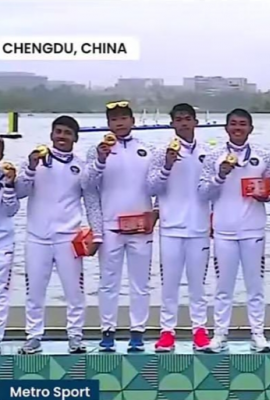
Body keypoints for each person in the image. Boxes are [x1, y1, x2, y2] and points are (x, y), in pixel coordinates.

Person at [14, 116, 102, 354]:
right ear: (52, 134)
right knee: (34, 292)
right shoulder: (35, 160)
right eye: (58, 132)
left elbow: (91, 203)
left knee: (75, 292)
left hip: (68, 239)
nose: (62, 137)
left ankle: (75, 336)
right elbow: (19, 192)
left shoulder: (81, 167)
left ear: (75, 138)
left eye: (67, 133)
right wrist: (30, 168)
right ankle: (33, 336)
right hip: (37, 237)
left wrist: (97, 234)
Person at [82, 100, 158, 352]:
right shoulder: (97, 150)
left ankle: (138, 331)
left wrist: (156, 213)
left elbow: (160, 185)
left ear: (133, 121)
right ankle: (107, 331)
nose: (119, 123)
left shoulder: (147, 149)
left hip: (140, 228)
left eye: (123, 118)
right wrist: (100, 160)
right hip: (110, 227)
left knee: (140, 283)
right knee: (108, 282)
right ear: (108, 124)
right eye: (114, 119)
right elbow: (87, 185)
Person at [198, 108, 270, 353]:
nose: (238, 128)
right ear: (226, 128)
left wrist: (265, 194)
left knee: (255, 286)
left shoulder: (263, 157)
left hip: (253, 230)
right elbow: (203, 192)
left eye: (243, 124)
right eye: (233, 124)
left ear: (250, 128)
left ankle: (258, 335)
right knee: (223, 287)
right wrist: (220, 176)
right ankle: (220, 335)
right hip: (224, 231)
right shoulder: (213, 157)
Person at [147, 104, 211, 352]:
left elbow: (213, 189)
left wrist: (214, 217)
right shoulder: (161, 153)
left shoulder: (208, 153)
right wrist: (167, 166)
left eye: (187, 119)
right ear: (172, 123)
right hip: (171, 227)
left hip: (199, 227)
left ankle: (200, 330)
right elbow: (151, 187)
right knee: (169, 284)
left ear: (195, 122)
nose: (183, 123)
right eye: (179, 119)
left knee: (198, 284)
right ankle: (167, 331)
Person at [0, 138, 19, 350]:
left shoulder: (6, 176)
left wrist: (9, 184)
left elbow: (12, 210)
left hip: (3, 242)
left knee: (1, 294)